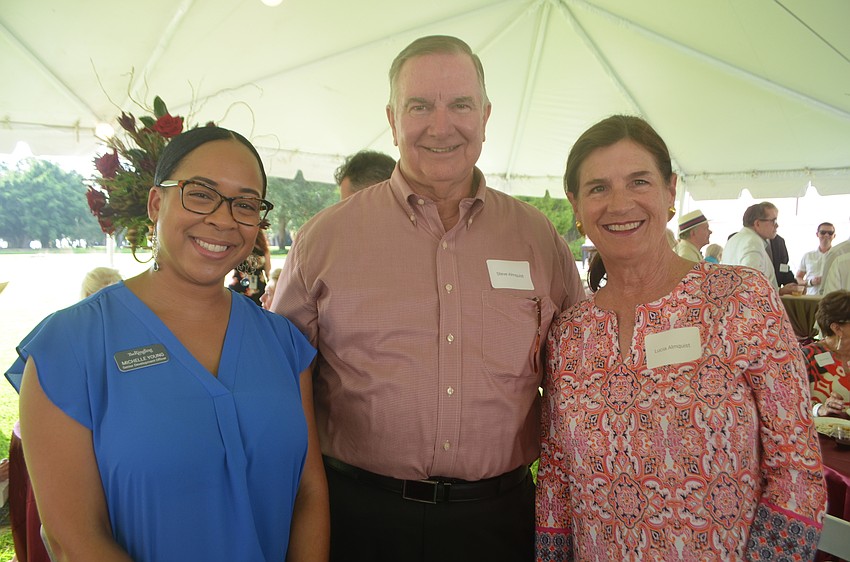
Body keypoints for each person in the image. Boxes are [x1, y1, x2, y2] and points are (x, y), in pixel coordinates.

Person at [271, 35, 585, 562]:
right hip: (361, 519)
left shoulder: (538, 240)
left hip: (499, 522)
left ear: (485, 116)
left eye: (460, 105)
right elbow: (279, 382)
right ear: (393, 119)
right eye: (420, 106)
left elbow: (581, 373)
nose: (442, 126)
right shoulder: (324, 240)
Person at [11, 126, 329, 561]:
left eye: (245, 203)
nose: (222, 218)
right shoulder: (70, 347)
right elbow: (73, 539)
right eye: (200, 193)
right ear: (156, 203)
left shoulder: (283, 344)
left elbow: (309, 493)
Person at [535, 115, 825, 561]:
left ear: (670, 190)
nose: (619, 203)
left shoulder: (739, 299)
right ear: (575, 205)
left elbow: (797, 469)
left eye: (638, 182)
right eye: (598, 188)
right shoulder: (569, 334)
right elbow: (556, 478)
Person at [721, 202, 803, 295]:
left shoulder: (734, 239)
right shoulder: (752, 241)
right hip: (752, 306)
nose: (777, 225)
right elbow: (753, 284)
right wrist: (779, 291)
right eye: (773, 221)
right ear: (757, 223)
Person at [803, 290, 850, 419]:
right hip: (823, 435)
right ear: (837, 328)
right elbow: (791, 400)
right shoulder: (807, 357)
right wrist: (820, 409)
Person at [796, 222, 834, 295]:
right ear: (817, 234)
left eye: (830, 233)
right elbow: (798, 277)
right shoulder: (808, 256)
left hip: (831, 299)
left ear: (834, 235)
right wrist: (810, 282)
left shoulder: (838, 256)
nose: (826, 235)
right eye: (823, 232)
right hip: (811, 297)